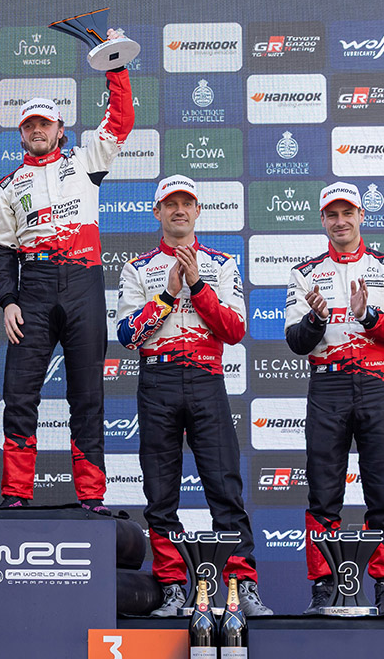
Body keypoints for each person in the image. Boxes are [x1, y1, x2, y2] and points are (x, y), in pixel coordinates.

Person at [115, 175, 272, 617]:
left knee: (225, 487)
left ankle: (242, 586)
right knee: (160, 492)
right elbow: (127, 335)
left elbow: (235, 330)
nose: (179, 210)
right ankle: (171, 586)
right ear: (157, 212)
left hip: (206, 379)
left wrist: (199, 287)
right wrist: (167, 294)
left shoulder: (221, 265)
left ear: (198, 210)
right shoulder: (137, 268)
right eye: (171, 204)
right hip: (158, 381)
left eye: (186, 203)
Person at [0, 35, 132, 509]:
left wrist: (116, 66)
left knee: (88, 395)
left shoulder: (86, 161)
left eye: (44, 123)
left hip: (82, 285)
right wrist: (6, 300)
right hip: (32, 289)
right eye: (29, 124)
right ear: (21, 133)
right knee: (19, 395)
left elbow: (120, 121)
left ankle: (91, 498)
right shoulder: (8, 185)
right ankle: (16, 495)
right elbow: (2, 250)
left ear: (59, 129)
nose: (37, 130)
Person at [284, 182, 384, 617]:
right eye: (332, 214)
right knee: (323, 494)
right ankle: (323, 587)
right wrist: (316, 319)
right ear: (322, 220)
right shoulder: (305, 273)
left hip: (378, 385)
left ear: (361, 215)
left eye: (347, 213)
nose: (340, 221)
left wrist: (367, 315)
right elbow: (296, 342)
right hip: (329, 387)